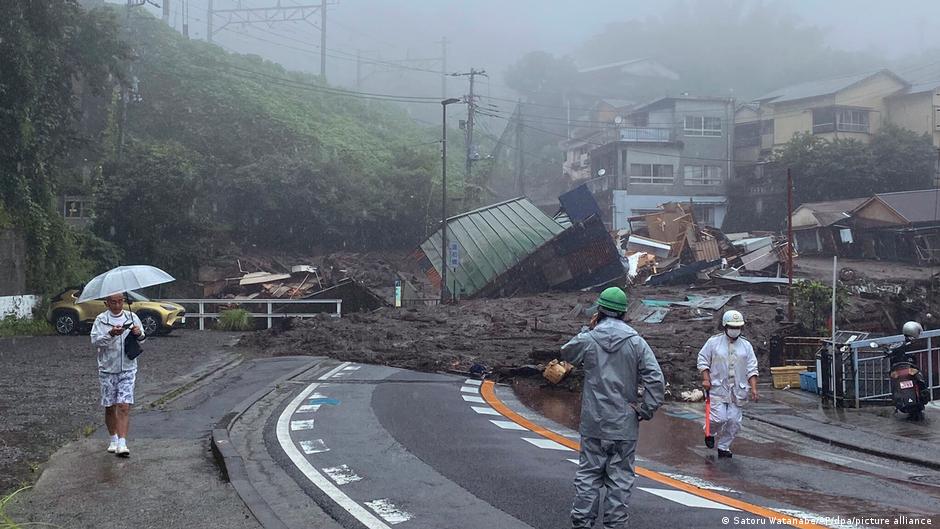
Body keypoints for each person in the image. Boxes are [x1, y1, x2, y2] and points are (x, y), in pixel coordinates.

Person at [560, 287, 665, 529]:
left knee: (588, 476)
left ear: (599, 311)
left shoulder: (589, 338)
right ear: (624, 313)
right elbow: (655, 379)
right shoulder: (636, 342)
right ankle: (615, 525)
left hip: (594, 422)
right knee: (620, 480)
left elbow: (567, 352)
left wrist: (589, 328)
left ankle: (582, 523)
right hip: (624, 423)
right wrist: (645, 409)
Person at [697, 309, 759, 458]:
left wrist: (754, 389)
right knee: (718, 418)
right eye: (732, 326)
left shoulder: (746, 346)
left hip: (738, 390)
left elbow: (752, 368)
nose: (734, 330)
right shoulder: (713, 343)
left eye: (737, 327)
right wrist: (706, 378)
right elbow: (703, 359)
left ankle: (724, 446)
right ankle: (710, 432)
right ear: (725, 326)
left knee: (734, 421)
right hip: (718, 388)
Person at [91, 292, 146, 457]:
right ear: (107, 303)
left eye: (120, 301)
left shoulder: (132, 317)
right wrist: (110, 334)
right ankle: (113, 438)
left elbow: (142, 339)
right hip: (107, 369)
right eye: (113, 302)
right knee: (110, 406)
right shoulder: (101, 320)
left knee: (124, 404)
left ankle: (123, 443)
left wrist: (138, 333)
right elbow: (95, 341)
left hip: (128, 367)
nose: (117, 305)